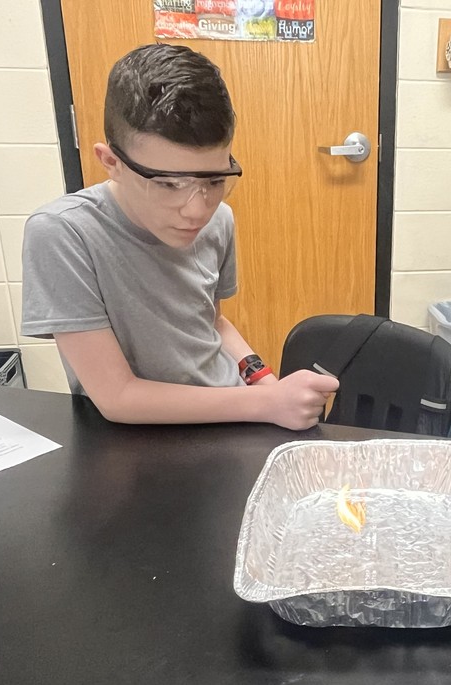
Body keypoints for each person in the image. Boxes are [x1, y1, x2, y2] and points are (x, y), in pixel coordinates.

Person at [21, 43, 337, 428]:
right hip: (138, 437)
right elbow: (117, 397)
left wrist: (266, 382)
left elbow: (214, 323)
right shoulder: (63, 233)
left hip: (235, 413)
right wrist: (266, 402)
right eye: (169, 184)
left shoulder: (218, 220)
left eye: (216, 180)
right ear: (111, 163)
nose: (197, 210)